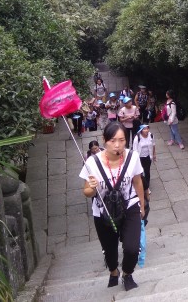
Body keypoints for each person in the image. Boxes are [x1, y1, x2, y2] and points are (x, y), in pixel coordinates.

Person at [80, 122, 145, 291]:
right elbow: (86, 192)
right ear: (104, 140)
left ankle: (127, 273)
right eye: (113, 140)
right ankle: (113, 271)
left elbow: (137, 181)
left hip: (129, 205)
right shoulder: (92, 163)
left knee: (132, 248)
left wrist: (142, 205)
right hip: (103, 210)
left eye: (122, 140)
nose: (117, 145)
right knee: (109, 249)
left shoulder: (133, 157)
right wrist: (92, 188)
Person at [132, 124, 156, 191]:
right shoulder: (137, 138)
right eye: (144, 129)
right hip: (140, 158)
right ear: (141, 130)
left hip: (148, 156)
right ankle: (140, 186)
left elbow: (153, 145)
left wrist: (154, 154)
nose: (146, 130)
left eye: (147, 129)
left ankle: (147, 187)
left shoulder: (151, 135)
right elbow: (134, 149)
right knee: (140, 172)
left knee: (147, 171)